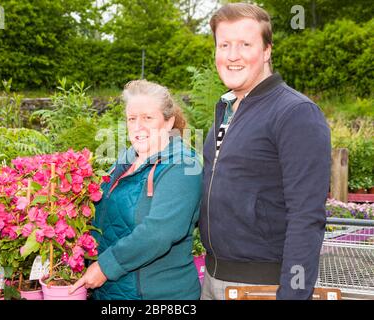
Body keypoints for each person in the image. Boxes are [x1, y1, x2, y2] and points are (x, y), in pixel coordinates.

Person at [199, 3, 331, 300]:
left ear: (267, 50)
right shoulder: (227, 110)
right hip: (212, 280)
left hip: (262, 287)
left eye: (245, 44)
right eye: (224, 45)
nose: (232, 55)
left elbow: (306, 217)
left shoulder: (296, 113)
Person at [69, 79, 203, 299]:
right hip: (114, 292)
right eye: (132, 119)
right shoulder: (125, 160)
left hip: (157, 295)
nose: (138, 126)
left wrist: (105, 266)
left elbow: (159, 232)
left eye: (147, 118)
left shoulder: (182, 167)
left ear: (169, 123)